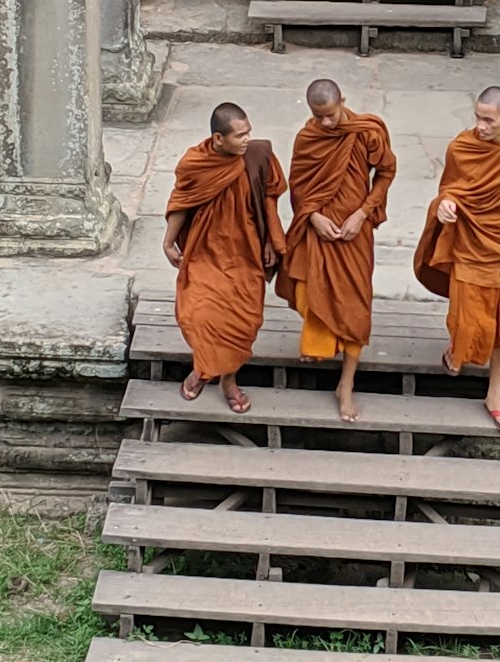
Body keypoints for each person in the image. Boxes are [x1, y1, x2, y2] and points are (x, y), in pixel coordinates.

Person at [413, 86, 500, 431]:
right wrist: (444, 205)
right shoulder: (461, 147)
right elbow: (450, 187)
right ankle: (457, 347)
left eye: (488, 120)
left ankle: (494, 395)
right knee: (465, 315)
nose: (481, 126)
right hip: (468, 243)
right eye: (477, 117)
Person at [275, 78, 396, 422]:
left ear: (343, 100)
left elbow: (386, 172)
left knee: (355, 308)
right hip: (320, 231)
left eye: (330, 115)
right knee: (305, 292)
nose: (326, 123)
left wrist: (363, 213)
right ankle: (321, 343)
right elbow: (297, 186)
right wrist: (312, 217)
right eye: (319, 116)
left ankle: (346, 384)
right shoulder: (308, 138)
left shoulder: (366, 132)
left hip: (354, 234)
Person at [163, 102, 287, 415]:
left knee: (243, 320)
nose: (247, 140)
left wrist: (273, 240)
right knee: (197, 314)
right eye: (240, 135)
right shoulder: (196, 163)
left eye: (249, 133)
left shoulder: (258, 157)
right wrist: (167, 242)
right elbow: (182, 202)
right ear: (219, 139)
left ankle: (226, 380)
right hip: (205, 250)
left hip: (246, 251)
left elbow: (269, 200)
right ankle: (203, 368)